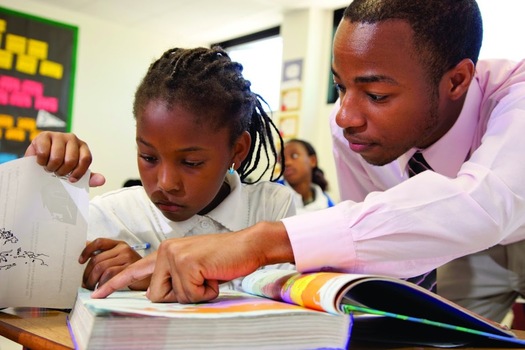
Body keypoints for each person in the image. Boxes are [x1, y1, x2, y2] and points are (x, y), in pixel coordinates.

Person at [66, 0, 525, 324]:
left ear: (457, 80)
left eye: (377, 94)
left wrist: (262, 242)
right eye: (340, 87)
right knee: (453, 335)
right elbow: (376, 241)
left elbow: (486, 203)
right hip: (451, 246)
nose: (343, 116)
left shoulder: (516, 95)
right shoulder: (352, 131)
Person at [25, 46, 296, 291]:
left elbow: (285, 297)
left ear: (237, 150)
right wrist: (31, 184)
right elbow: (21, 275)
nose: (165, 183)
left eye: (191, 163)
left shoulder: (270, 210)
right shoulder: (114, 215)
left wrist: (156, 276)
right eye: (148, 157)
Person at [278, 138, 334, 213]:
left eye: (294, 156)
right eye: (282, 159)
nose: (286, 163)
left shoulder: (326, 203)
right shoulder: (271, 195)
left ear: (313, 161)